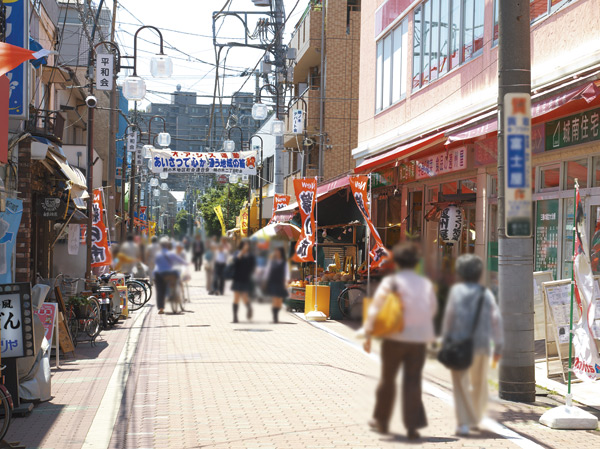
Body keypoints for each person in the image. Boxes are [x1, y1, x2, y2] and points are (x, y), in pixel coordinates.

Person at [363, 242, 437, 440]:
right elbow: (432, 309)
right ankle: (412, 427)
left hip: (394, 338)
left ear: (397, 262)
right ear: (415, 262)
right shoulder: (425, 284)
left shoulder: (391, 283)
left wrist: (368, 333)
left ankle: (381, 420)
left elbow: (376, 308)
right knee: (413, 382)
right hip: (418, 340)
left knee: (388, 380)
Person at [441, 254, 503, 436]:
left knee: (460, 385)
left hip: (459, 345)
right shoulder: (486, 294)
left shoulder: (456, 293)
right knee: (478, 384)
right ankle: (475, 417)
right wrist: (498, 345)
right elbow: (496, 320)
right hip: (481, 347)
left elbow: (449, 320)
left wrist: (446, 341)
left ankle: (463, 423)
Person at [154, 237, 188, 314]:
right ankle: (173, 293)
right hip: (168, 274)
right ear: (167, 245)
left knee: (159, 291)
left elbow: (154, 264)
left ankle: (161, 308)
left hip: (158, 274)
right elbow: (180, 260)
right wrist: (187, 263)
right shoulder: (171, 253)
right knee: (176, 276)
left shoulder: (157, 254)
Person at [231, 240, 256, 323]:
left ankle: (249, 308)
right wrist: (241, 253)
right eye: (244, 244)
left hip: (246, 279)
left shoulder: (251, 256)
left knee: (245, 297)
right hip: (237, 278)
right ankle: (235, 317)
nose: (246, 246)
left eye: (247, 245)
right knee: (236, 298)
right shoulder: (237, 253)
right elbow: (235, 262)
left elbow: (252, 266)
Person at [263, 247, 289, 323]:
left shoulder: (284, 262)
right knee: (275, 299)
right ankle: (275, 317)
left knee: (279, 301)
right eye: (276, 251)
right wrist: (265, 280)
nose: (277, 253)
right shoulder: (271, 261)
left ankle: (277, 312)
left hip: (281, 283)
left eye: (278, 251)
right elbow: (267, 271)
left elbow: (286, 273)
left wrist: (286, 282)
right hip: (273, 282)